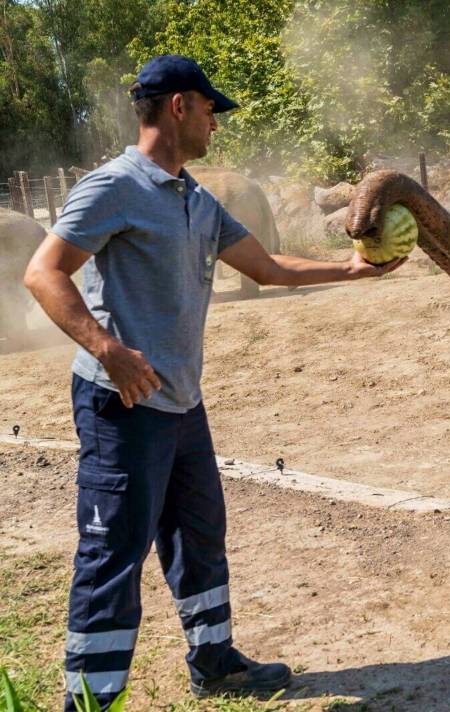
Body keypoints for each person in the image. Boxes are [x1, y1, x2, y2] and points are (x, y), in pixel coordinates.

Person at [23, 54, 405, 710]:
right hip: (121, 403)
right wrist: (106, 348)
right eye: (210, 109)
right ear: (179, 107)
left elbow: (267, 267)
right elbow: (43, 272)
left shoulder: (196, 199)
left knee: (200, 536)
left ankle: (216, 664)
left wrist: (352, 271)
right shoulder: (113, 186)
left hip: (180, 403)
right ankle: (89, 700)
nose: (215, 125)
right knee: (113, 557)